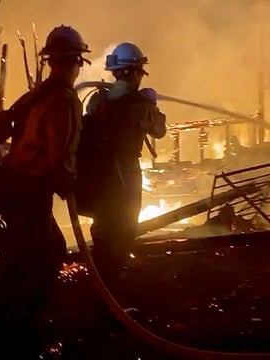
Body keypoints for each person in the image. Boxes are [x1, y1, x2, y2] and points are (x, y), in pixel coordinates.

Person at [0, 25, 89, 360]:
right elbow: (58, 153)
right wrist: (67, 184)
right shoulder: (64, 101)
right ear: (77, 62)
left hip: (13, 189)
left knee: (16, 260)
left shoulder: (34, 95)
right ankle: (20, 340)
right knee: (45, 255)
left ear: (51, 61)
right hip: (30, 193)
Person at [77, 42, 166, 283]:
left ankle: (100, 282)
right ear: (136, 72)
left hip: (99, 177)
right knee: (123, 231)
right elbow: (159, 130)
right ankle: (109, 288)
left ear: (115, 71)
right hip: (124, 175)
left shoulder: (97, 100)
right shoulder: (139, 106)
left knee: (103, 230)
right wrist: (152, 104)